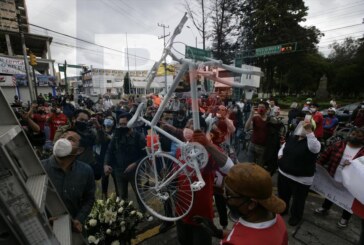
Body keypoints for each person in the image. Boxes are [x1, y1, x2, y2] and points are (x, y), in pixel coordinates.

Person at [194, 163, 288, 245]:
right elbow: (251, 235)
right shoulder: (276, 218)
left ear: (251, 203)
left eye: (229, 194)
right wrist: (219, 233)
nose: (225, 197)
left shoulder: (233, 243)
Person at [173, 129, 234, 245]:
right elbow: (177, 174)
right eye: (188, 127)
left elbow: (230, 168)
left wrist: (208, 145)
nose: (191, 133)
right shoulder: (181, 149)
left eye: (196, 130)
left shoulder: (209, 151)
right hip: (181, 211)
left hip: (201, 217)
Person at [43, 130, 95, 233]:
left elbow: (89, 199)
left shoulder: (86, 171)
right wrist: (43, 220)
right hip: (43, 230)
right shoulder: (40, 168)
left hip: (71, 230)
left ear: (79, 150)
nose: (63, 140)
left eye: (71, 139)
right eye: (62, 137)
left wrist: (79, 219)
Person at [103, 112, 151, 219]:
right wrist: (106, 164)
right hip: (119, 171)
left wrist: (134, 164)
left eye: (125, 124)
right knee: (122, 195)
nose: (122, 126)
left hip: (134, 171)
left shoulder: (139, 137)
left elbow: (145, 156)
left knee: (140, 194)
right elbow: (109, 151)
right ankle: (124, 217)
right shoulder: (116, 135)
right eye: (120, 124)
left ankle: (145, 213)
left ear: (131, 124)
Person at [314, 127, 364, 228]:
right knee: (331, 193)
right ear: (349, 134)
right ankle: (325, 208)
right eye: (353, 134)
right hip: (334, 177)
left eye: (359, 136)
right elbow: (325, 155)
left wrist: (354, 165)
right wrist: (317, 166)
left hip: (351, 184)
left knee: (348, 201)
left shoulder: (363, 152)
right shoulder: (339, 144)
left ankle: (345, 218)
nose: (355, 137)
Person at [277, 118, 320, 226]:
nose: (302, 128)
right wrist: (280, 155)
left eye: (305, 127)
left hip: (301, 180)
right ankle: (282, 209)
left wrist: (309, 131)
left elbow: (315, 148)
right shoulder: (293, 138)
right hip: (284, 174)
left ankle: (296, 217)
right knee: (283, 195)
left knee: (298, 201)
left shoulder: (313, 142)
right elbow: (283, 147)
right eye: (302, 126)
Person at [245, 101, 269, 166]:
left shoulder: (269, 120)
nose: (260, 108)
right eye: (259, 107)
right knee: (250, 166)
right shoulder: (255, 118)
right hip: (252, 145)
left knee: (259, 167)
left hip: (263, 147)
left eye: (262, 107)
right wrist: (251, 114)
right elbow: (247, 127)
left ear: (266, 109)